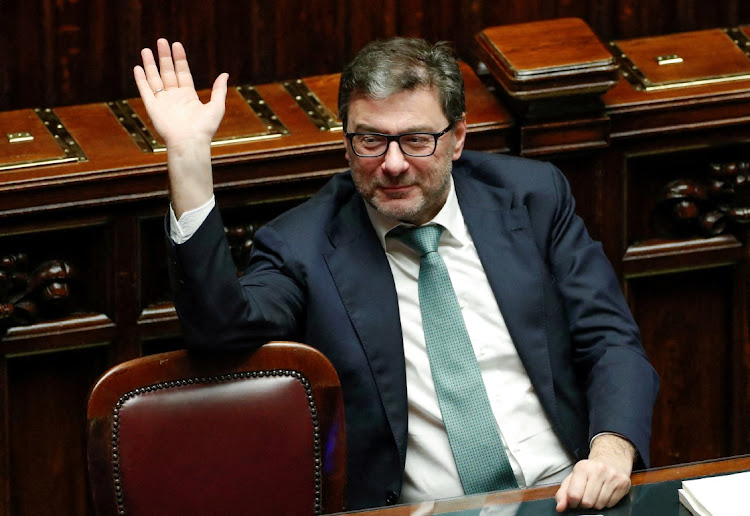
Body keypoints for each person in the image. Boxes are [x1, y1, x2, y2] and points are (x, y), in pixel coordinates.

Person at [134, 37, 659, 512]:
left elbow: (610, 339)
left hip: (566, 494)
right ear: (346, 144)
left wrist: (610, 451)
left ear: (457, 138)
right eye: (370, 141)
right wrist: (188, 156)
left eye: (415, 140)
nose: (392, 164)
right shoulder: (302, 246)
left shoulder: (533, 197)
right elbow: (217, 332)